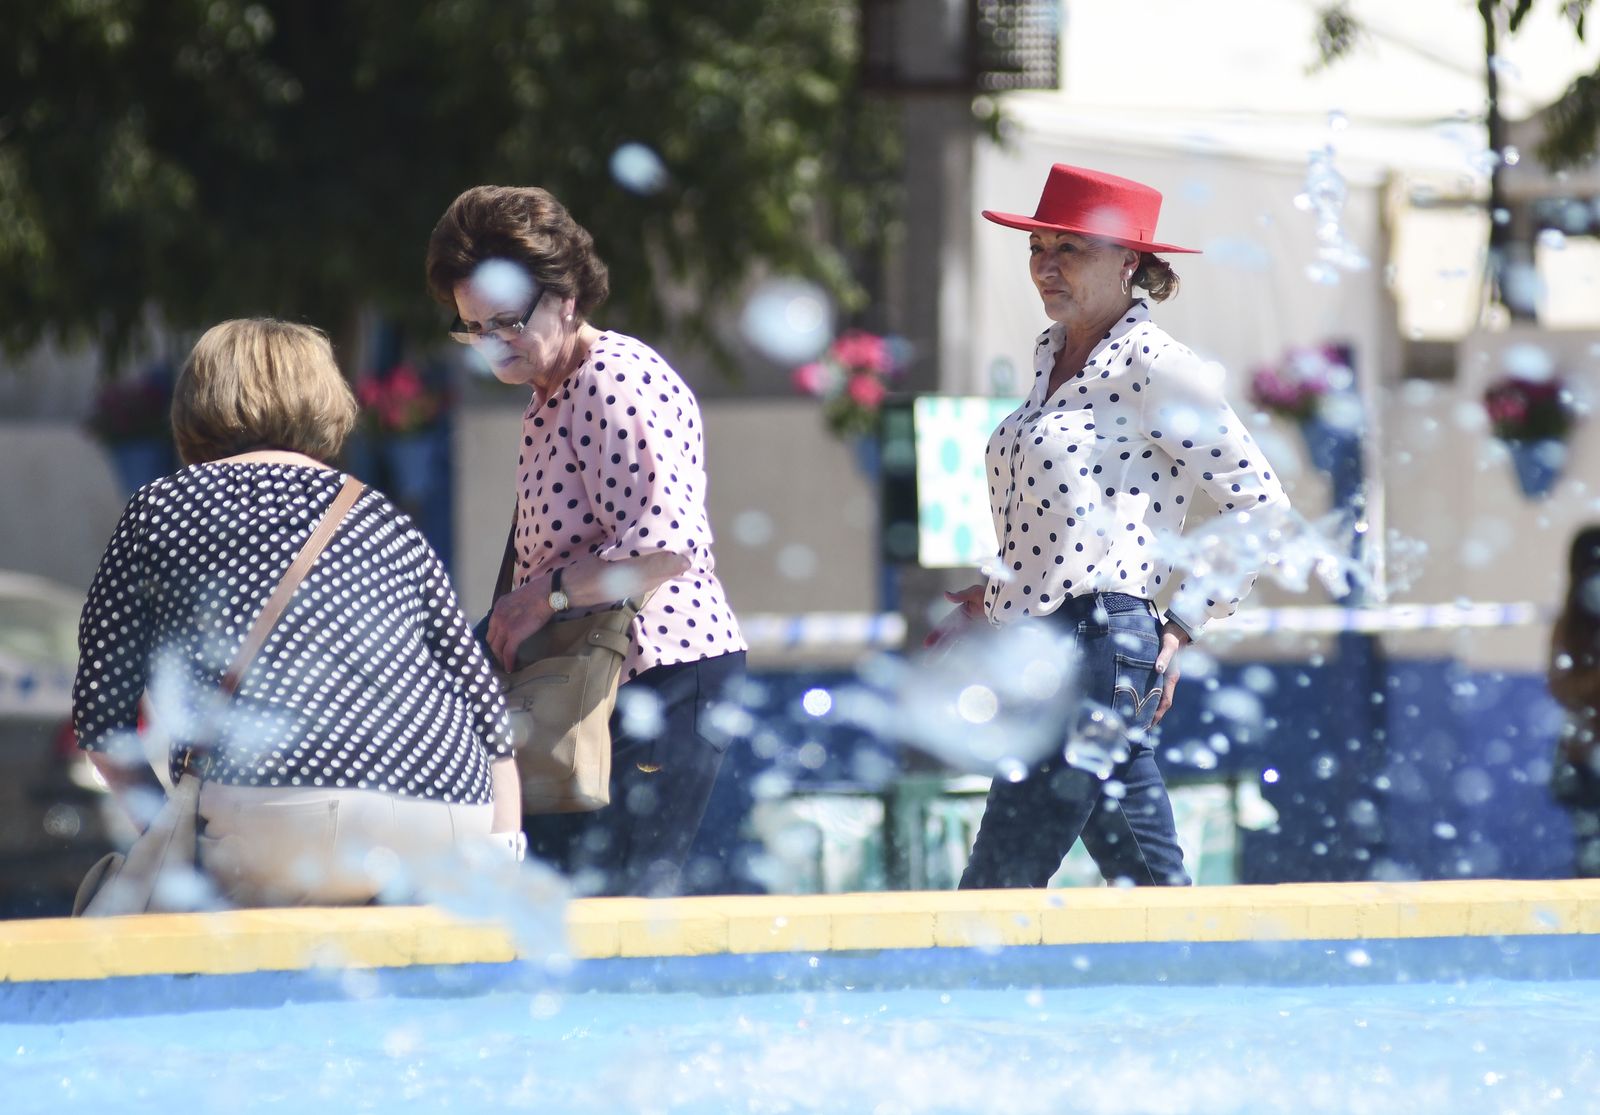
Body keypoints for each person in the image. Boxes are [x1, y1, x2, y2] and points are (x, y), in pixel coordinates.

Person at [73, 319, 521, 907]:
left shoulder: (161, 508)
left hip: (277, 813)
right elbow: (481, 700)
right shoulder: (378, 515)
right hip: (448, 810)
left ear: (200, 401)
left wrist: (168, 832)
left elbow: (101, 719)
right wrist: (505, 847)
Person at [932, 163, 1290, 889]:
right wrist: (999, 594)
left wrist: (1186, 619)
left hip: (1098, 642)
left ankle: (960, 996)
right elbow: (1069, 523)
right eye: (1038, 248)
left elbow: (1259, 504)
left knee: (999, 882)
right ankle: (1210, 990)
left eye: (1071, 249)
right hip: (1052, 646)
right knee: (1146, 880)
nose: (1046, 266)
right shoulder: (1050, 358)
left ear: (1130, 263)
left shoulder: (1156, 365)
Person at [425, 185, 748, 897]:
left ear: (565, 296)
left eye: (507, 321)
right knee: (574, 916)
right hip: (597, 682)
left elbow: (668, 547)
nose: (493, 344)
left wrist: (546, 595)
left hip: (659, 676)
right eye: (472, 328)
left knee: (614, 921)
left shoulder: (613, 377)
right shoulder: (553, 390)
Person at [1549, 525, 1600, 876]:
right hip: (1585, 759)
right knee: (1590, 864)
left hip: (1584, 755)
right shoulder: (1572, 624)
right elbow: (1563, 687)